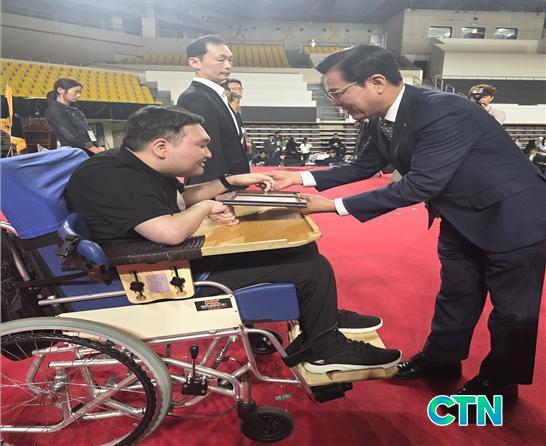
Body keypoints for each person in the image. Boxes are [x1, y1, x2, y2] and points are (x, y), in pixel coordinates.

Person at [270, 44, 546, 410]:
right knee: (456, 294)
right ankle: (441, 359)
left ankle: (500, 382)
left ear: (376, 82)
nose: (336, 103)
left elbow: (420, 185)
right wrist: (297, 178)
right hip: (460, 217)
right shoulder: (379, 118)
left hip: (513, 217)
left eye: (338, 93)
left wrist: (333, 206)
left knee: (512, 312)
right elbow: (363, 166)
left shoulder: (444, 110)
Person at [64, 105, 402, 374]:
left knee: (304, 247)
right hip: (154, 278)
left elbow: (180, 200)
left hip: (160, 262)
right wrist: (207, 207)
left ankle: (322, 318)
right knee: (309, 267)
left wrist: (229, 181)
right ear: (162, 147)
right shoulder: (113, 175)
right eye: (201, 145)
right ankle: (326, 348)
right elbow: (169, 231)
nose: (209, 153)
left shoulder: (135, 165)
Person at [177, 35, 249, 185]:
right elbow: (206, 151)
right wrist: (220, 188)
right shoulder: (196, 97)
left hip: (228, 181)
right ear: (195, 62)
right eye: (220, 59)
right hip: (214, 185)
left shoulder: (215, 96)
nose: (228, 65)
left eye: (230, 60)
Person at [44, 78, 104, 156]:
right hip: (73, 152)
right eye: (76, 92)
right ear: (60, 90)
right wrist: (95, 150)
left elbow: (88, 129)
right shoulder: (54, 110)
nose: (78, 95)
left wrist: (98, 146)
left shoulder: (75, 110)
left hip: (88, 150)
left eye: (80, 92)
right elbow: (70, 134)